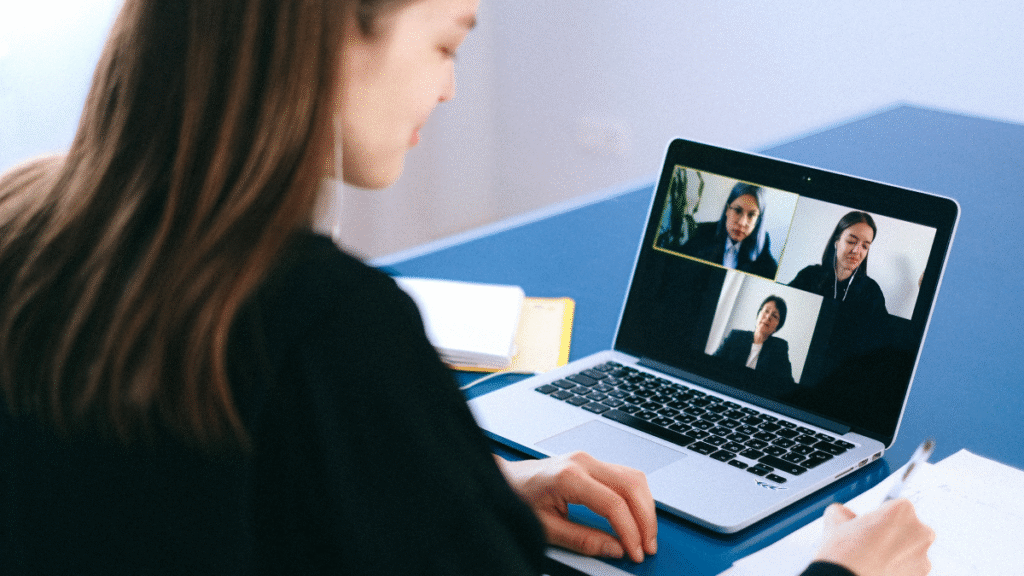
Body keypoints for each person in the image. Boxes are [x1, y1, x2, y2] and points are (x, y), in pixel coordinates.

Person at [0, 1, 933, 575]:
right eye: (446, 43)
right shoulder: (332, 328)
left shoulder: (23, 220)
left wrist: (463, 487)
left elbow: (181, 498)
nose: (448, 90)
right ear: (333, 33)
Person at [788, 211, 886, 317]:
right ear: (837, 241)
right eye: (851, 241)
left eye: (865, 246)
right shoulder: (809, 276)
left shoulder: (872, 291)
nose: (857, 251)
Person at [681, 182, 779, 280]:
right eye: (737, 210)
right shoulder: (703, 232)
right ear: (727, 210)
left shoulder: (762, 247)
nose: (742, 222)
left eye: (751, 215)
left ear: (758, 220)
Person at [714, 295, 795, 386]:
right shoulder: (735, 336)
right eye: (766, 311)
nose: (768, 317)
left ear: (777, 327)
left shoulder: (779, 348)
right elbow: (713, 363)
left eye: (774, 316)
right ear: (758, 314)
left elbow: (787, 383)